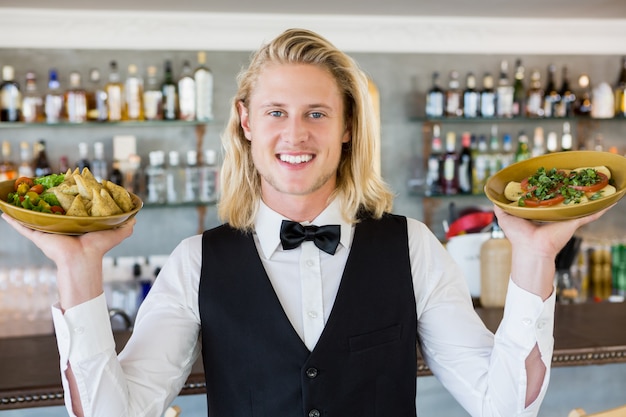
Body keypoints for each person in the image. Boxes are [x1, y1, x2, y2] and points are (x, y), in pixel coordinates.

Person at [1, 28, 614, 417]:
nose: (296, 134)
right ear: (246, 121)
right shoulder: (196, 262)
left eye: (318, 112)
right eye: (276, 111)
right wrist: (76, 268)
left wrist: (534, 258)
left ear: (348, 128)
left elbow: (503, 407)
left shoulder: (413, 248)